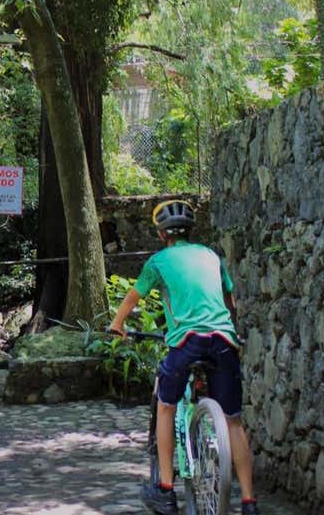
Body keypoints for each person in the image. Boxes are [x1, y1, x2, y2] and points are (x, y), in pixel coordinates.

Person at [108, 200, 258, 515]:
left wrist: (117, 324)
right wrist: (231, 331)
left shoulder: (159, 261)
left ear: (162, 234)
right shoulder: (211, 256)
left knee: (166, 406)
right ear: (191, 231)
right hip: (223, 341)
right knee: (233, 421)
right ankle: (249, 501)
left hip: (187, 343)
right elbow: (229, 299)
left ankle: (164, 488)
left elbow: (133, 297)